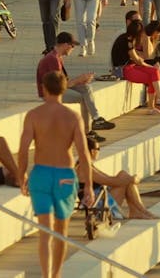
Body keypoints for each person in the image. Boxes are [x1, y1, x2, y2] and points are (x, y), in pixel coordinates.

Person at [17, 71, 94, 278]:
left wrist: (21, 176)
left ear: (44, 88)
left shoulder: (33, 115)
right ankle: (56, 274)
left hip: (41, 173)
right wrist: (88, 185)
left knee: (45, 232)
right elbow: (84, 153)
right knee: (61, 231)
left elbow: (23, 149)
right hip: (65, 175)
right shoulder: (73, 116)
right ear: (63, 89)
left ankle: (45, 275)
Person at [37, 32, 115, 142]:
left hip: (57, 88)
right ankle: (86, 132)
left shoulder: (57, 57)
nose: (73, 49)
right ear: (65, 45)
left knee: (86, 88)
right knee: (81, 96)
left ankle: (97, 119)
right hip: (51, 93)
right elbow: (60, 85)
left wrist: (81, 81)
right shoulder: (52, 59)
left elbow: (64, 81)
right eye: (72, 46)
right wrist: (79, 79)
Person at [83, 137, 156, 219]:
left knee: (123, 176)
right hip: (99, 206)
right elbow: (111, 181)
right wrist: (133, 179)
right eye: (98, 149)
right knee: (125, 179)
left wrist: (129, 178)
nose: (99, 151)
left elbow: (108, 178)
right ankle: (142, 210)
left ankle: (137, 211)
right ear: (92, 151)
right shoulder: (85, 168)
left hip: (101, 200)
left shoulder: (87, 166)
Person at [110, 20, 160, 115]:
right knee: (152, 76)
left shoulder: (127, 38)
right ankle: (154, 104)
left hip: (130, 66)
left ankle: (158, 101)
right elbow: (137, 60)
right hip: (124, 70)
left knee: (154, 71)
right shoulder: (128, 41)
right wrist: (148, 65)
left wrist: (149, 66)